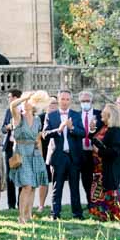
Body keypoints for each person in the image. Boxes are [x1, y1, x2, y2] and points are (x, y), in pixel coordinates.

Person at [41, 92, 86, 220]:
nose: (65, 101)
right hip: (58, 156)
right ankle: (55, 214)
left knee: (74, 186)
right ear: (58, 100)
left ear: (70, 101)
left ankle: (77, 214)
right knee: (57, 186)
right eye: (62, 99)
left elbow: (83, 133)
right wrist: (58, 130)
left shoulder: (76, 115)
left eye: (67, 99)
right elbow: (45, 134)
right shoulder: (51, 115)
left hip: (73, 156)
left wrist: (72, 128)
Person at [7, 93, 48, 222]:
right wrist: (25, 97)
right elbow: (12, 105)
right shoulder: (18, 117)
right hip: (21, 153)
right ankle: (21, 217)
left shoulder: (37, 120)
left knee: (33, 186)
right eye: (24, 101)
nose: (25, 103)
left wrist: (41, 158)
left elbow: (38, 140)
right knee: (27, 186)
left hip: (34, 154)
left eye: (28, 101)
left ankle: (28, 215)